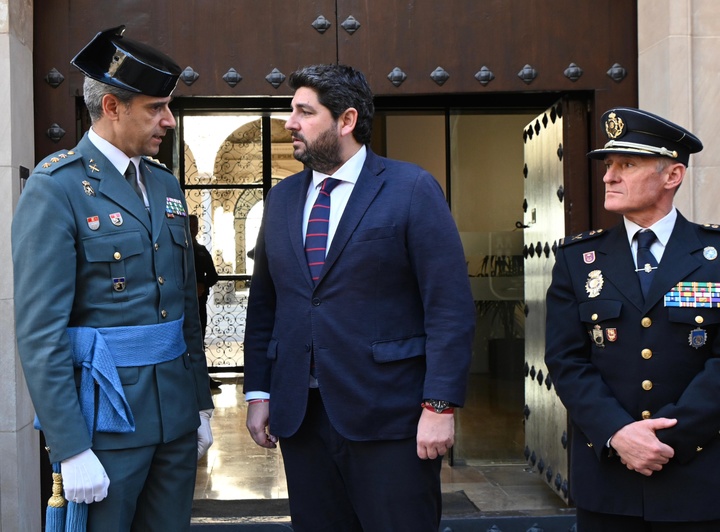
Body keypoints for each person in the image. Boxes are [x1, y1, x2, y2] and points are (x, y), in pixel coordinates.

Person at [243, 64, 475, 531]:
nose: (290, 122)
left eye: (305, 112)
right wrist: (259, 390)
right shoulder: (283, 199)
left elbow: (449, 307)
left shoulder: (410, 189)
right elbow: (266, 304)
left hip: (390, 419)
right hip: (302, 421)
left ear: (345, 121)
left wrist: (439, 406)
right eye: (292, 111)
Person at [12, 26, 214, 531]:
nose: (168, 120)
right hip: (106, 421)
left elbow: (184, 305)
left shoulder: (165, 184)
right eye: (156, 108)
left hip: (173, 411)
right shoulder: (56, 188)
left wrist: (200, 403)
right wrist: (70, 444)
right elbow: (41, 333)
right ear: (112, 107)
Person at [545, 107, 720, 530]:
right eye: (608, 165)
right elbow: (566, 360)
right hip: (608, 482)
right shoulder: (579, 260)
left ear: (672, 176)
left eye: (627, 164)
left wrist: (664, 441)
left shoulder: (714, 257)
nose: (608, 176)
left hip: (697, 481)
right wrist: (619, 434)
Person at [189, 214, 222, 389]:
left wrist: (202, 285)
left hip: (199, 303)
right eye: (189, 225)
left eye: (195, 226)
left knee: (199, 340)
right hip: (179, 305)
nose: (192, 229)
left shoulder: (201, 250)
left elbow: (213, 275)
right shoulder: (175, 250)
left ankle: (202, 379)